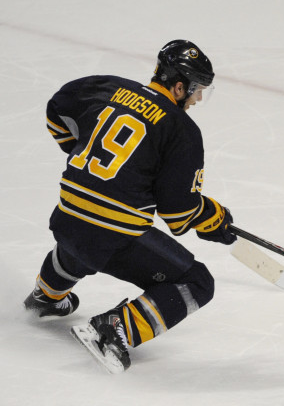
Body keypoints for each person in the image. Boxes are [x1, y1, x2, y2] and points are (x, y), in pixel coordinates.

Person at [23, 40, 237, 373]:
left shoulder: (106, 87)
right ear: (179, 86)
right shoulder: (181, 130)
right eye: (196, 90)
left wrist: (80, 152)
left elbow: (57, 109)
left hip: (65, 219)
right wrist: (212, 217)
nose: (196, 99)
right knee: (197, 282)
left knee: (86, 229)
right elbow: (177, 211)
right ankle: (113, 329)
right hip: (110, 237)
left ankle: (45, 297)